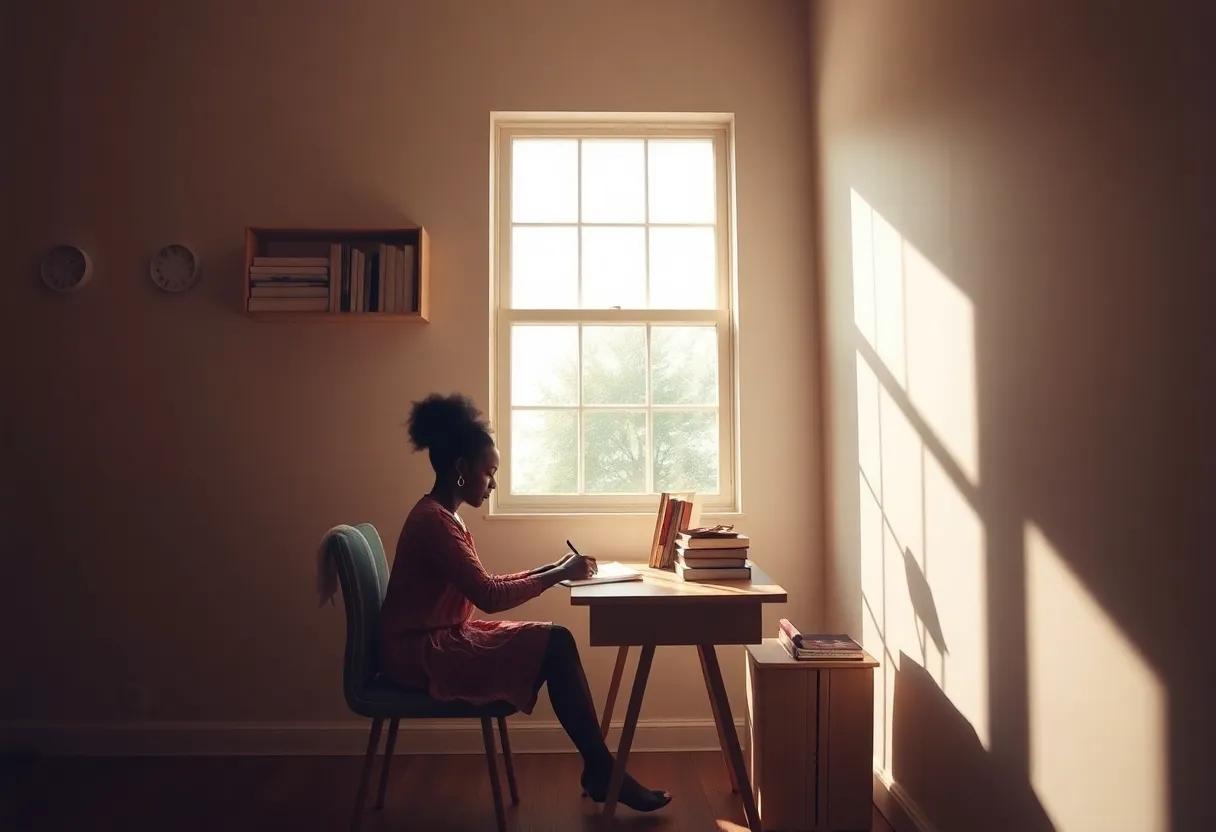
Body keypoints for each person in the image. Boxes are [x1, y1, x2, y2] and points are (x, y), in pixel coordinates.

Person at [379, 393, 671, 812]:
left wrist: (550, 569)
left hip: (435, 640)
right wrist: (556, 575)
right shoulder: (434, 523)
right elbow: (490, 596)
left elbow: (485, 584)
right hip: (421, 654)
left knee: (556, 641)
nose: (494, 482)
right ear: (462, 469)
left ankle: (600, 767)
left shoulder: (443, 515)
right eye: (490, 471)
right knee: (556, 644)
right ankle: (601, 769)